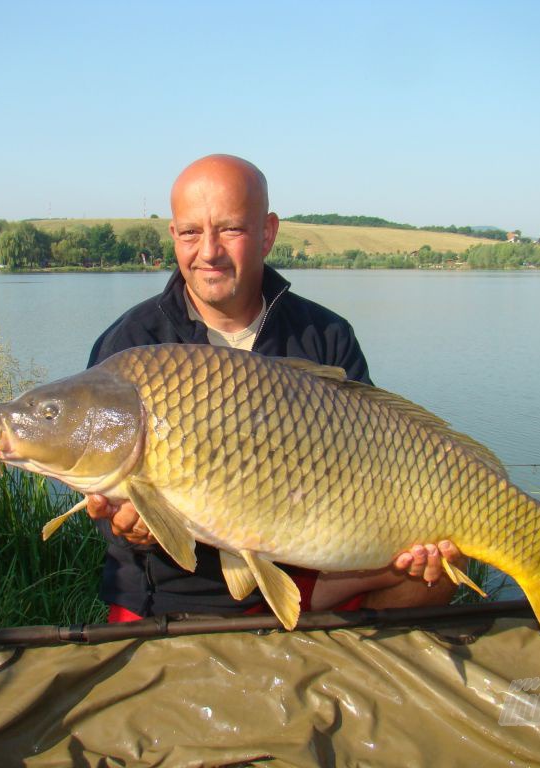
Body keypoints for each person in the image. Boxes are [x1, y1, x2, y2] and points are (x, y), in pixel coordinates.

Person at [86, 154, 463, 622]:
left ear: (267, 233)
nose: (208, 252)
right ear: (174, 237)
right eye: (190, 232)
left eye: (230, 230)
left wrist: (415, 535)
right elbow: (102, 495)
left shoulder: (324, 335)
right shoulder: (133, 345)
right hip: (173, 594)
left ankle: (351, 660)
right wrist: (128, 527)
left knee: (443, 566)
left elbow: (378, 458)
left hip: (304, 568)